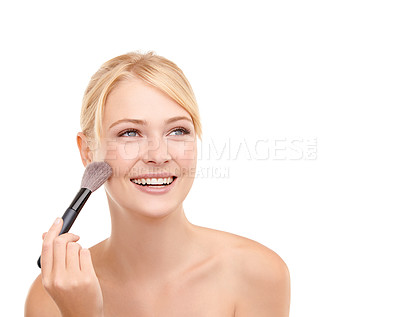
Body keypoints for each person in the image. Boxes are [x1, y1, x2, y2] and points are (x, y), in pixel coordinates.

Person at [25, 51, 290, 316]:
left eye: (178, 131)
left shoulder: (257, 274)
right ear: (88, 152)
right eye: (130, 133)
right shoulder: (52, 295)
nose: (159, 155)